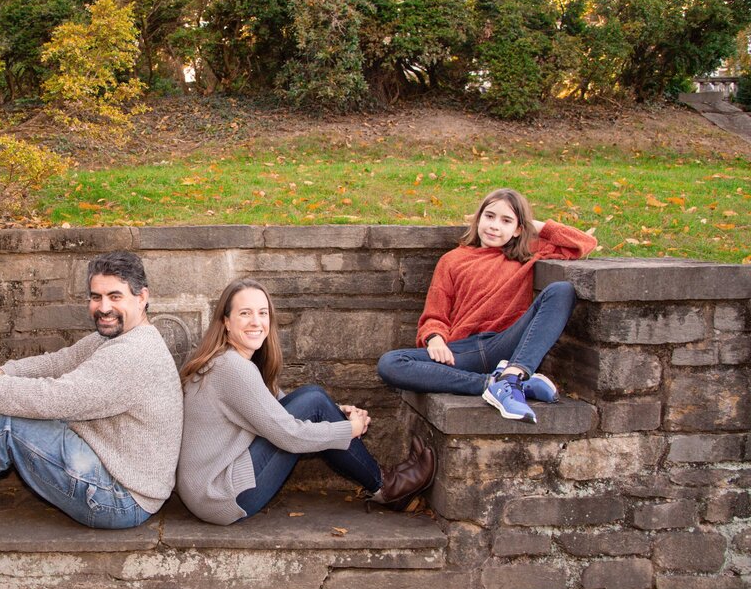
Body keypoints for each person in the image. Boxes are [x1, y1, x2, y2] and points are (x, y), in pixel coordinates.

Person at [0, 251, 183, 531]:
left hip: (119, 498)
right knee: (13, 408)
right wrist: (6, 372)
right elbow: (60, 361)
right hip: (113, 474)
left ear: (142, 297)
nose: (103, 307)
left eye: (114, 296)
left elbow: (57, 398)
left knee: (7, 424)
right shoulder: (118, 337)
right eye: (96, 297)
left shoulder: (133, 354)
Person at [175, 278, 437, 526]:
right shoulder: (232, 368)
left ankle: (387, 479)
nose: (256, 322)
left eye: (263, 313)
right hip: (221, 497)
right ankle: (388, 487)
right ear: (226, 321)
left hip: (209, 488)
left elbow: (271, 406)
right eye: (245, 313)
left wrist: (334, 412)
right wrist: (351, 429)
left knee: (315, 400)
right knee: (314, 400)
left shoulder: (227, 360)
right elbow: (289, 435)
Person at [376, 187, 597, 423]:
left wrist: (532, 225)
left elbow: (583, 242)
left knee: (562, 290)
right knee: (391, 363)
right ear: (478, 218)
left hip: (505, 344)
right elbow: (434, 314)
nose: (494, 226)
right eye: (489, 216)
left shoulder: (527, 253)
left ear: (519, 229)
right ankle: (495, 384)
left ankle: (513, 375)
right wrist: (434, 338)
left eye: (506, 221)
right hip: (463, 352)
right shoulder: (451, 261)